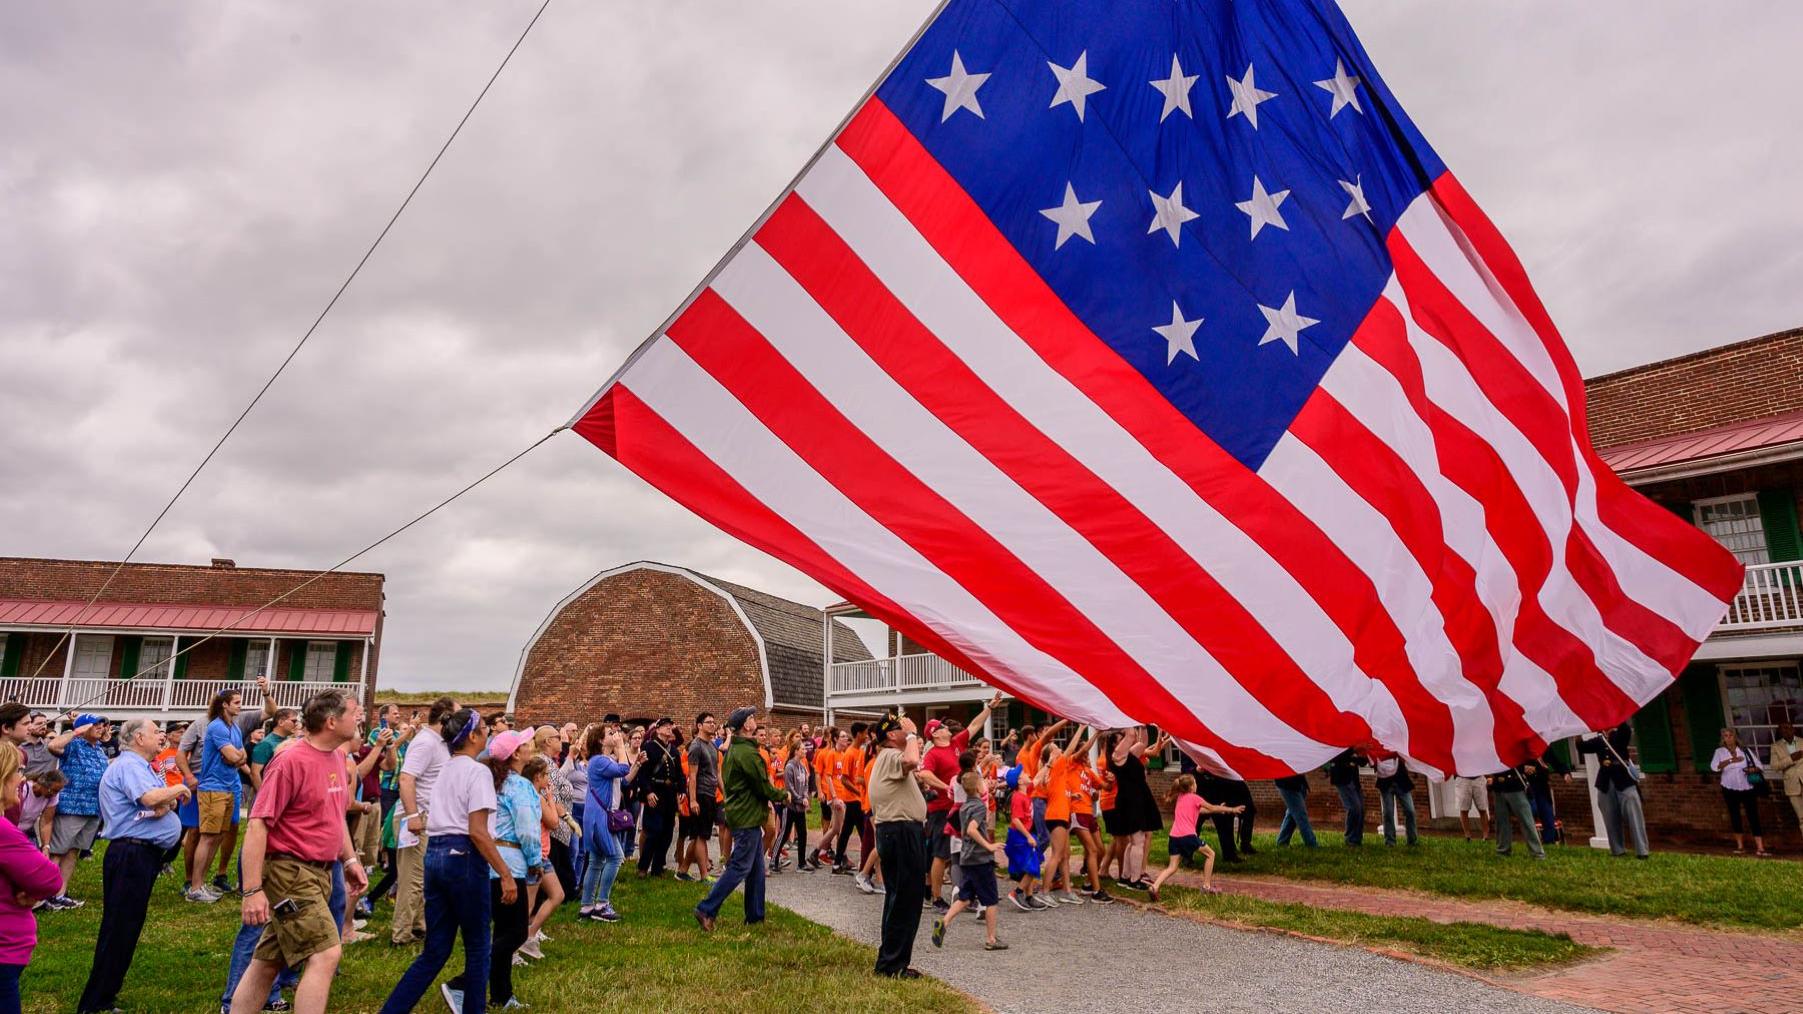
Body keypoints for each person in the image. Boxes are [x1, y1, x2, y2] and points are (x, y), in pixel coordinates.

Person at [380, 708, 510, 1014]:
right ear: (474, 736)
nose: (488, 732)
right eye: (483, 728)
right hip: (464, 855)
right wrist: (503, 872)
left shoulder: (445, 770)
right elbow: (478, 831)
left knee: (435, 950)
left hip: (435, 852)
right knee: (478, 947)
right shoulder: (478, 772)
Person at [74, 718, 190, 1014]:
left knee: (127, 927)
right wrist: (177, 791)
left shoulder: (142, 767)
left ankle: (106, 995)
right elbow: (152, 798)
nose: (160, 736)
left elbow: (162, 805)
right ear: (139, 738)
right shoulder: (129, 766)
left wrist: (167, 800)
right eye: (155, 732)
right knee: (118, 929)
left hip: (143, 853)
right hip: (130, 853)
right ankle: (95, 1002)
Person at [693, 708, 786, 931]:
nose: (755, 720)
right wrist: (784, 795)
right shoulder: (747, 753)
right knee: (739, 867)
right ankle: (706, 908)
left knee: (755, 870)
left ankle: (755, 916)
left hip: (746, 815)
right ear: (746, 726)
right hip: (746, 816)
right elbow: (762, 786)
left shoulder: (738, 749)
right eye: (752, 718)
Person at [471, 730, 538, 1008]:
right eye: (526, 743)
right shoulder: (520, 787)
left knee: (501, 931)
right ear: (516, 754)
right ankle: (466, 980)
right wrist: (535, 860)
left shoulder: (492, 782)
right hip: (511, 864)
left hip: (488, 862)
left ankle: (501, 994)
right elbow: (527, 829)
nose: (530, 745)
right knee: (517, 932)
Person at [920, 693, 1002, 906]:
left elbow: (975, 725)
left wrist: (990, 707)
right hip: (942, 809)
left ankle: (966, 893)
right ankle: (936, 897)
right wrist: (946, 786)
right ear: (936, 734)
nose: (947, 727)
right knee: (941, 853)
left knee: (961, 851)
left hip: (963, 808)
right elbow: (924, 774)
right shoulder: (933, 753)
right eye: (941, 726)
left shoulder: (956, 742)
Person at [0, 741, 62, 1011]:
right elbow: (50, 878)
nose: (21, 778)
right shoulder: (4, 832)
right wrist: (34, 888)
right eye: (17, 770)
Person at [392, 695, 457, 945]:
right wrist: (412, 816)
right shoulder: (425, 742)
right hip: (417, 817)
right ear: (445, 718)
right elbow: (407, 778)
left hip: (432, 818)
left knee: (426, 878)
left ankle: (419, 925)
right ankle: (401, 933)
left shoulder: (441, 743)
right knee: (413, 878)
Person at [869, 712, 929, 978]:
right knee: (905, 899)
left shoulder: (888, 757)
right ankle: (892, 965)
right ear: (891, 735)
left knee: (898, 898)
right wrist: (914, 733)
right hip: (901, 831)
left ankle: (891, 961)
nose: (906, 729)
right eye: (900, 727)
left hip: (897, 831)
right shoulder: (892, 756)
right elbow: (913, 759)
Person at [932, 769, 1008, 952]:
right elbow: (973, 830)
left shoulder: (964, 806)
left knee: (965, 897)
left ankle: (944, 922)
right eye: (982, 782)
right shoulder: (980, 807)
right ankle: (991, 938)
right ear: (977, 787)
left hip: (967, 857)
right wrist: (989, 847)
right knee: (990, 899)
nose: (985, 784)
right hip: (980, 859)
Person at [189, 690, 254, 903]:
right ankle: (195, 888)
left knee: (218, 836)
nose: (240, 706)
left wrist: (235, 757)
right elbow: (234, 755)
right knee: (208, 837)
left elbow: (241, 756)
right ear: (224, 705)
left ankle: (203, 883)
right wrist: (235, 757)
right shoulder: (216, 726)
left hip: (228, 786)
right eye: (236, 702)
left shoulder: (234, 727)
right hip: (212, 787)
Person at [45, 713, 110, 909]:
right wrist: (76, 732)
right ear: (83, 728)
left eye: (102, 725)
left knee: (73, 851)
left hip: (91, 808)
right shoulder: (74, 744)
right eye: (96, 725)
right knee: (57, 851)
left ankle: (60, 893)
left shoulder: (99, 749)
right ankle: (44, 893)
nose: (101, 728)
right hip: (71, 806)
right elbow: (53, 746)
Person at [1149, 773, 1241, 901]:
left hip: (1174, 837)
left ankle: (1155, 886)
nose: (1197, 785)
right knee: (1211, 854)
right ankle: (1206, 887)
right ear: (1192, 787)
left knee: (1172, 867)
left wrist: (1221, 809)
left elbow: (1202, 811)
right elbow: (1212, 807)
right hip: (1188, 836)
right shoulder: (1195, 798)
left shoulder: (1180, 798)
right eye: (1195, 783)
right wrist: (1232, 810)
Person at [579, 724, 637, 922]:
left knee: (596, 862)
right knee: (615, 858)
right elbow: (622, 769)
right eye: (610, 734)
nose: (615, 735)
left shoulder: (603, 761)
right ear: (601, 741)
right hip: (600, 817)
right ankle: (602, 904)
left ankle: (586, 906)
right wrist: (621, 747)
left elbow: (624, 779)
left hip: (597, 815)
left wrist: (636, 765)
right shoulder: (599, 761)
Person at [1576, 722, 1649, 859]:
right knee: (1610, 817)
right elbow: (1582, 747)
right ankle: (1617, 850)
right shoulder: (1599, 739)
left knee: (1634, 815)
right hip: (1605, 780)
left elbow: (1626, 729)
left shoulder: (1620, 733)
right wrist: (1577, 731)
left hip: (1624, 779)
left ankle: (1642, 851)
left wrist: (1616, 719)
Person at [1108, 725, 1167, 886]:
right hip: (1130, 801)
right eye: (1122, 740)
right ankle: (1135, 880)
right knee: (1138, 840)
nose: (1126, 741)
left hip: (1137, 799)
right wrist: (1130, 717)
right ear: (1115, 744)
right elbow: (1132, 735)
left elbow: (1143, 741)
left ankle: (1126, 877)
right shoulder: (1118, 755)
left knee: (1134, 841)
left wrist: (1143, 724)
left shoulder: (1129, 755)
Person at [635, 718, 682, 878]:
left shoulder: (674, 750)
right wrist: (648, 792)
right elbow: (643, 773)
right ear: (658, 729)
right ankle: (643, 866)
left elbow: (679, 774)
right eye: (666, 727)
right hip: (655, 792)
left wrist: (682, 790)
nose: (669, 729)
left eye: (670, 727)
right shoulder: (648, 747)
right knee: (654, 831)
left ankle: (658, 867)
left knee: (667, 833)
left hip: (669, 795)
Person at [1712, 728, 1769, 857]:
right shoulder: (1719, 752)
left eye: (1730, 735)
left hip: (1746, 786)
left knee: (1753, 815)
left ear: (1735, 737)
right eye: (1725, 736)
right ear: (1723, 738)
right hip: (1729, 787)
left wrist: (1752, 769)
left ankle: (1760, 847)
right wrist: (1731, 760)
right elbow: (1715, 767)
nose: (1728, 738)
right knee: (1734, 815)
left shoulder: (1744, 750)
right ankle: (1740, 846)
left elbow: (1759, 765)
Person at [681, 713, 721, 882]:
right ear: (699, 725)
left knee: (699, 834)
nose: (712, 725)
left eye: (714, 722)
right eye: (708, 722)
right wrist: (693, 800)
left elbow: (718, 774)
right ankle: (704, 875)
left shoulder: (712, 746)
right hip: (700, 794)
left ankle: (682, 871)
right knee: (701, 836)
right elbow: (693, 775)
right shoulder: (696, 746)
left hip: (711, 793)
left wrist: (724, 794)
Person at [1001, 767, 1046, 910]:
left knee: (1034, 861)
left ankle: (1029, 896)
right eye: (1024, 774)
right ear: (1020, 781)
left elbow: (1038, 778)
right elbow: (1016, 820)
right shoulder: (1018, 797)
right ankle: (1018, 892)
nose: (1028, 774)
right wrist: (1027, 836)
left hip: (1024, 834)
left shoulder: (1026, 791)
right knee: (1032, 866)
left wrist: (1049, 764)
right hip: (1020, 836)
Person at [1485, 766, 1545, 860]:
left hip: (1515, 785)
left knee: (1526, 820)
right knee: (1501, 821)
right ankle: (1503, 850)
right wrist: (1489, 777)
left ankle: (1537, 852)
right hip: (1498, 786)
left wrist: (1526, 767)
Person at [779, 732, 814, 872]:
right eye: (803, 749)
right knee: (784, 833)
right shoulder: (790, 767)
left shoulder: (802, 766)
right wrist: (799, 799)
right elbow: (789, 787)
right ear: (796, 751)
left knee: (803, 833)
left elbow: (805, 784)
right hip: (790, 807)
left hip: (800, 807)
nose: (805, 751)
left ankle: (801, 863)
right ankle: (774, 860)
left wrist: (805, 797)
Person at [1521, 751, 1571, 844]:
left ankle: (1549, 842)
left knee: (1548, 815)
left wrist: (1565, 773)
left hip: (1542, 787)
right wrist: (1523, 768)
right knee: (1532, 810)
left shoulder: (1544, 748)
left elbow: (1557, 763)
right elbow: (1513, 765)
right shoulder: (1521, 748)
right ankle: (1533, 842)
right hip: (1528, 787)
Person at [1371, 750, 1418, 846]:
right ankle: (1390, 841)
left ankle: (1412, 840)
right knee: (1388, 812)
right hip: (1385, 782)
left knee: (1410, 810)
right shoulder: (1377, 743)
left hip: (1401, 780)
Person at [1769, 719, 1803, 832]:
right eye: (1783, 729)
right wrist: (1791, 759)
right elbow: (1774, 766)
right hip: (1792, 785)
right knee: (1802, 817)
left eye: (1789, 728)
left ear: (1793, 729)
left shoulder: (1802, 742)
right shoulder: (1775, 746)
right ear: (1780, 732)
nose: (1787, 731)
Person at [1326, 748, 1366, 846]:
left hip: (1354, 779)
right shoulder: (1341, 742)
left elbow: (1363, 762)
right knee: (1354, 808)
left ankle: (1357, 839)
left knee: (1361, 809)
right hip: (1342, 777)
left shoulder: (1356, 746)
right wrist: (1353, 756)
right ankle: (1350, 839)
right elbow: (1336, 756)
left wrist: (1357, 757)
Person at [1273, 772, 1318, 848]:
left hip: (1299, 782)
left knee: (1292, 814)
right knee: (1300, 815)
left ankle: (1282, 841)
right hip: (1287, 783)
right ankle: (1312, 844)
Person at [1450, 774, 1490, 841]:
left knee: (1482, 808)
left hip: (1478, 777)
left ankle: (1486, 836)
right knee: (1463, 809)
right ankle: (1467, 836)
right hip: (1462, 779)